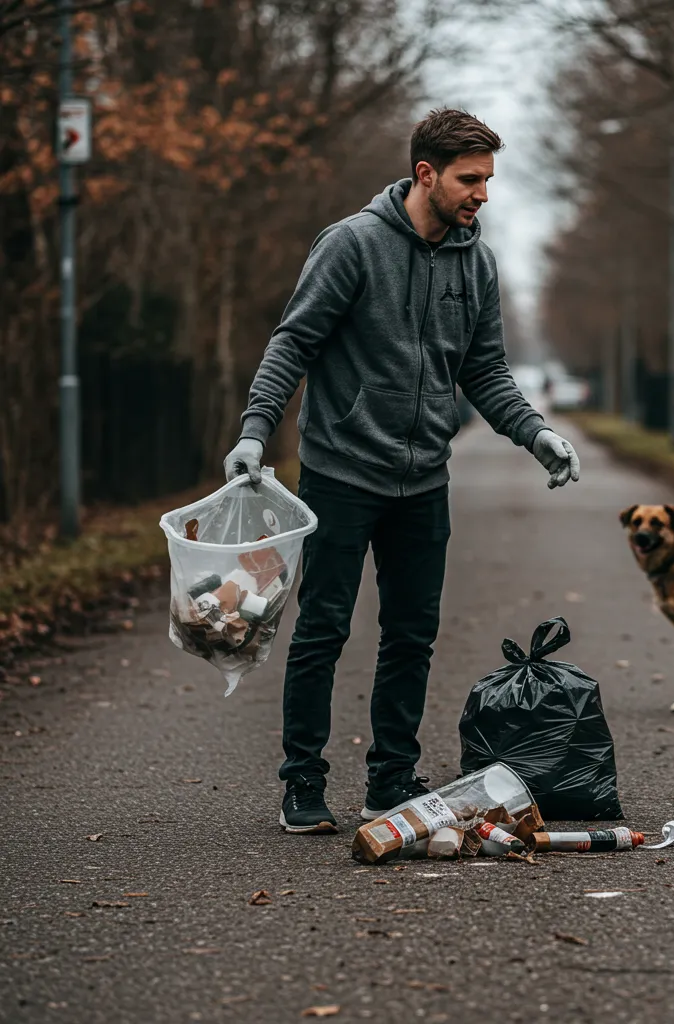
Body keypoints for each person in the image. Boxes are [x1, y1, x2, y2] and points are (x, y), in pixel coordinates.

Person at [223, 107, 580, 834]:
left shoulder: (475, 261)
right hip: (341, 473)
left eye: (488, 179)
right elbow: (293, 343)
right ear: (426, 174)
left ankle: (390, 778)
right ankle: (302, 783)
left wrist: (536, 432)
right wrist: (256, 433)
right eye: (470, 179)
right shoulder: (352, 245)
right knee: (322, 628)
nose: (483, 193)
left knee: (412, 635)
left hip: (424, 480)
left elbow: (484, 372)